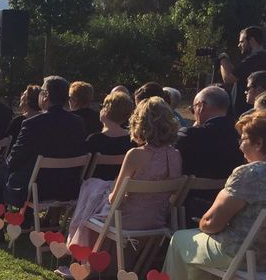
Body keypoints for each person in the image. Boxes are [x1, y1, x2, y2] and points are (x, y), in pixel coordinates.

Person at [65, 97, 182, 255]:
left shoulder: (135, 155)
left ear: (139, 123)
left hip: (126, 222)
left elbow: (115, 200)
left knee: (90, 208)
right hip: (157, 221)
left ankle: (86, 261)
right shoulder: (175, 155)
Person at [163, 112, 266, 279]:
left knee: (181, 239)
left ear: (259, 143)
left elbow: (211, 223)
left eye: (243, 139)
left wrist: (204, 224)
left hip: (242, 255)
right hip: (261, 256)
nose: (239, 146)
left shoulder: (250, 173)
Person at [0, 76, 86, 213]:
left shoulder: (32, 123)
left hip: (37, 189)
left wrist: (7, 165)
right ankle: (26, 221)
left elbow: (15, 158)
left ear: (46, 96)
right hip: (68, 188)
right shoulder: (78, 123)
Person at [176, 86, 245, 224]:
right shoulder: (242, 135)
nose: (194, 111)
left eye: (194, 107)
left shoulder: (190, 136)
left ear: (201, 106)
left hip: (190, 206)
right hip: (227, 206)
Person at [85, 91, 135, 180]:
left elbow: (85, 172)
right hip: (121, 190)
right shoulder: (133, 140)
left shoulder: (94, 140)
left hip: (94, 190)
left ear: (106, 110)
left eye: (102, 106)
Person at [219, 25, 266, 117]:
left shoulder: (253, 60)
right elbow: (237, 73)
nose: (239, 45)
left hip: (247, 112)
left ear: (251, 40)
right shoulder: (261, 57)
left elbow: (228, 78)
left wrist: (222, 57)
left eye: (242, 41)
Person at [5, 84, 41, 150]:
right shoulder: (44, 121)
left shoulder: (18, 122)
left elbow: (6, 145)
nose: (20, 96)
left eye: (23, 94)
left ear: (27, 100)